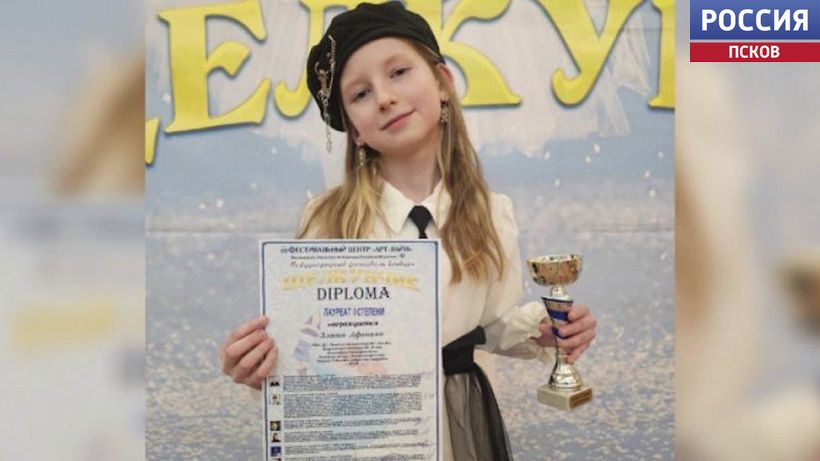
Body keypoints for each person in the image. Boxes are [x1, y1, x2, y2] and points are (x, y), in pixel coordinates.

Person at [219, 3, 597, 460]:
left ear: (442, 83)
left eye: (398, 72)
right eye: (360, 94)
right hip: (366, 431)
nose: (384, 98)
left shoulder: (490, 214)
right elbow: (309, 344)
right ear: (355, 131)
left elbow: (489, 324)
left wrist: (544, 330)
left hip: (457, 426)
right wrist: (262, 366)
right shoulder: (327, 221)